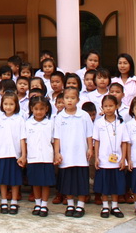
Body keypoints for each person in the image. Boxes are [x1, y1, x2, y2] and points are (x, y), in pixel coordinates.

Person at [53, 86, 93, 218]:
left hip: (81, 155)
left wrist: (90, 148)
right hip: (66, 155)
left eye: (72, 98)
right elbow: (57, 137)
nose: (69, 100)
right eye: (67, 98)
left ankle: (80, 205)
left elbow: (89, 134)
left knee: (81, 181)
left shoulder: (84, 115)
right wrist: (57, 153)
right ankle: (70, 204)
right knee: (67, 181)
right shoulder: (60, 117)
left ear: (78, 99)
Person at [92, 94, 127, 218]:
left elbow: (124, 142)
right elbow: (96, 141)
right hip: (103, 159)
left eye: (111, 106)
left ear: (116, 106)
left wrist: (123, 158)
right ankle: (105, 206)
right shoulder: (99, 123)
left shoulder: (121, 123)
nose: (108, 108)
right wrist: (96, 157)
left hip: (117, 159)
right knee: (105, 184)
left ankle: (115, 206)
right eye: (105, 106)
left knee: (116, 184)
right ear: (102, 107)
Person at [0, 91, 27, 215]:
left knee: (14, 180)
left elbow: (22, 138)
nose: (8, 107)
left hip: (15, 154)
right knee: (3, 180)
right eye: (6, 104)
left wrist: (23, 155)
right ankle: (3, 201)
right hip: (1, 153)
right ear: (2, 105)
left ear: (16, 105)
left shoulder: (19, 120)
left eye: (11, 104)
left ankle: (14, 201)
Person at [24, 95, 55, 217]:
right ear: (31, 109)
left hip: (47, 158)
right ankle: (37, 203)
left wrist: (56, 154)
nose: (38, 112)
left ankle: (44, 204)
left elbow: (54, 140)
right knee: (35, 182)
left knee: (45, 183)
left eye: (41, 109)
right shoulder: (28, 124)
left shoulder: (50, 123)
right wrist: (24, 156)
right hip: (33, 158)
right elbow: (24, 141)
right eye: (36, 109)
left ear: (46, 109)